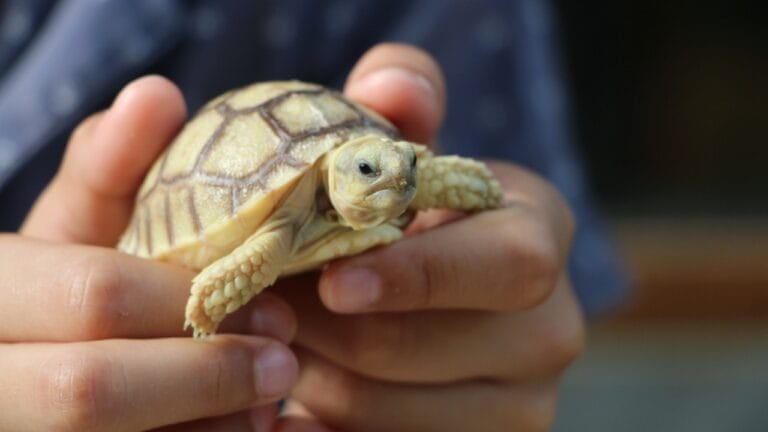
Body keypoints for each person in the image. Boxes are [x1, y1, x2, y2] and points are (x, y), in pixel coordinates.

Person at [0, 1, 626, 430]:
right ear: (334, 176)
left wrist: (500, 224)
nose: (397, 182)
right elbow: (236, 273)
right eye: (369, 174)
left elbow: (443, 188)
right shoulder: (277, 227)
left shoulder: (390, 161)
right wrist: (207, 310)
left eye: (405, 170)